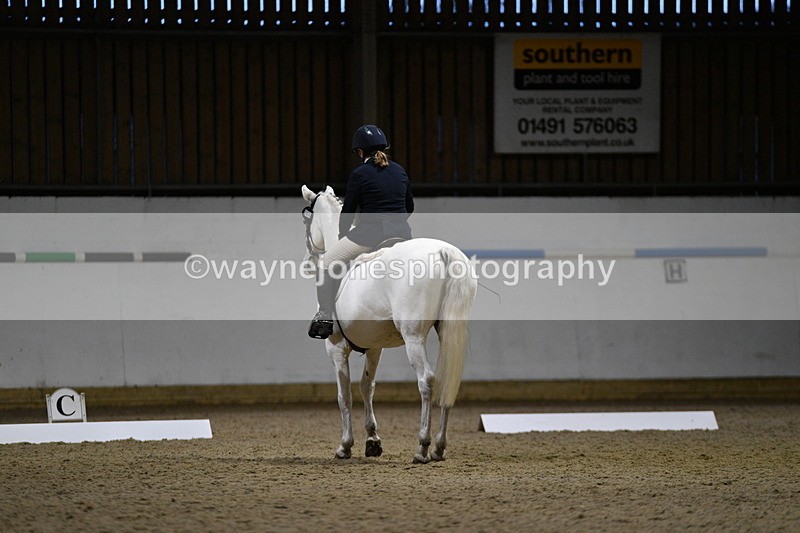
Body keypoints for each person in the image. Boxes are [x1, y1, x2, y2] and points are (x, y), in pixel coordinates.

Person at [308, 124, 415, 339]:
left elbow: (347, 213)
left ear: (359, 152)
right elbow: (409, 207)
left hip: (371, 235)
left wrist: (342, 236)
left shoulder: (359, 173)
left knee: (326, 263)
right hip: (402, 234)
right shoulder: (399, 170)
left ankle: (325, 316)